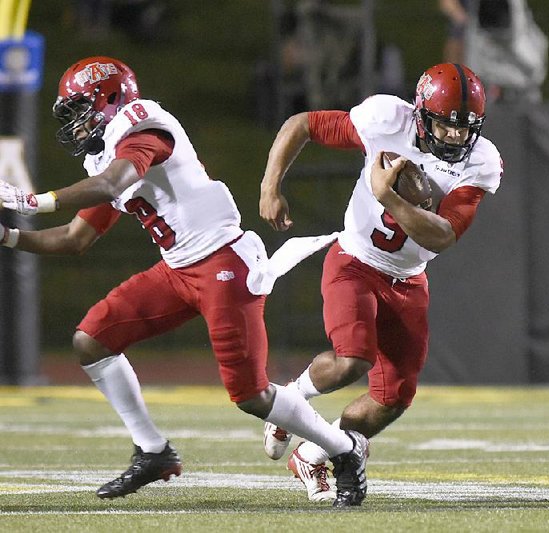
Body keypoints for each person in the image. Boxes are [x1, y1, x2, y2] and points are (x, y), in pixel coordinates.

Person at [0, 56, 368, 507]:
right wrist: (9, 236)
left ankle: (344, 451)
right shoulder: (107, 151)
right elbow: (76, 238)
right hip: (177, 269)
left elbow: (114, 184)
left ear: (110, 99)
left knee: (252, 396)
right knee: (91, 339)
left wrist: (31, 201)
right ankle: (154, 451)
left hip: (223, 265)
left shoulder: (142, 129)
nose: (75, 126)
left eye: (80, 110)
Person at [258, 63, 503, 501]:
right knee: (352, 360)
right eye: (445, 125)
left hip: (408, 279)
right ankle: (291, 402)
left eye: (464, 128)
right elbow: (303, 124)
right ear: (421, 114)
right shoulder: (387, 120)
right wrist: (269, 187)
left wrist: (387, 195)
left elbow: (442, 236)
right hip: (354, 261)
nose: (454, 137)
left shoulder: (482, 161)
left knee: (393, 398)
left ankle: (312, 454)